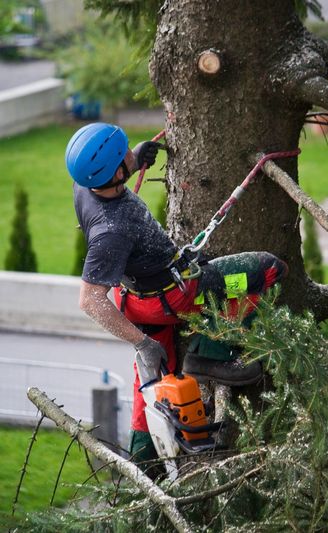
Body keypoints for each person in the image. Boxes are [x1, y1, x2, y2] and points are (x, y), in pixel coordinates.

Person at [65, 122, 288, 466]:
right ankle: (212, 357)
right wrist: (141, 343)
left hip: (138, 302)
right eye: (124, 153)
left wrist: (135, 161)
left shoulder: (84, 184)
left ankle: (144, 465)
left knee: (151, 390)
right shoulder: (112, 231)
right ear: (112, 172)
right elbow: (89, 300)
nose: (129, 152)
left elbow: (109, 175)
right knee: (266, 270)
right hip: (174, 298)